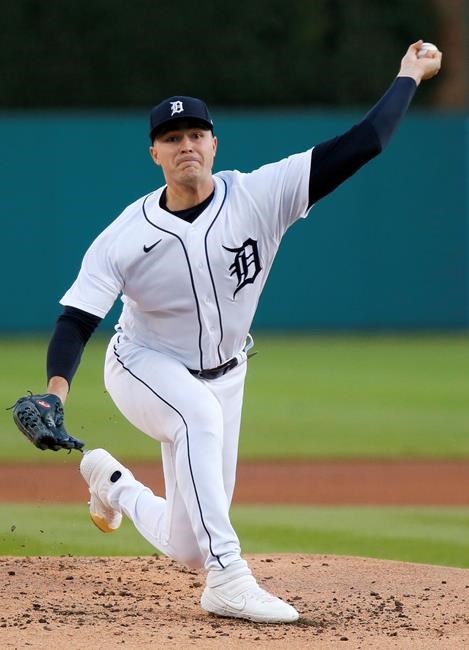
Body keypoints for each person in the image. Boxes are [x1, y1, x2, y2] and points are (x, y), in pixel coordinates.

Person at [42, 42, 440, 623]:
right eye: (173, 138)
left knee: (184, 544)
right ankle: (229, 578)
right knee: (195, 418)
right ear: (155, 152)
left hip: (228, 373)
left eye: (196, 134)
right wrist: (56, 392)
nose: (187, 146)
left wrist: (408, 74)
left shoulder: (257, 195)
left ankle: (112, 483)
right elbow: (77, 319)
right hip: (142, 364)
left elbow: (365, 143)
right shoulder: (127, 234)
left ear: (214, 144)